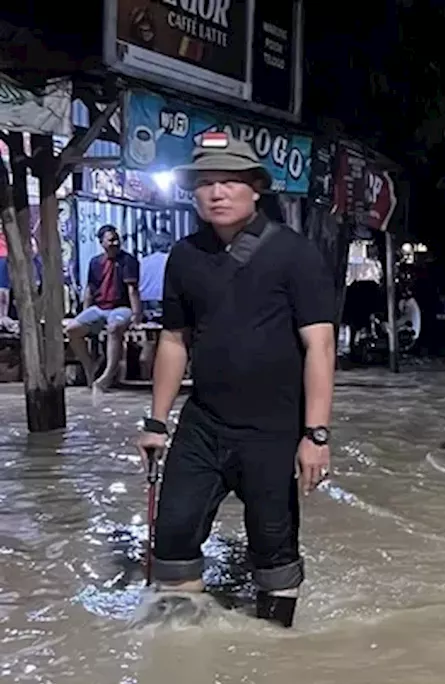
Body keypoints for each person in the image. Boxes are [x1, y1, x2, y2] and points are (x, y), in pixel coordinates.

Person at [135, 134, 336, 629]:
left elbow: (320, 346)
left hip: (271, 429)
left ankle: (275, 653)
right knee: (173, 534)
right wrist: (156, 422)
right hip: (202, 422)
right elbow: (174, 341)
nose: (217, 193)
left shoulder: (294, 254)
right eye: (205, 183)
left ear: (257, 189)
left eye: (229, 181)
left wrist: (316, 435)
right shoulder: (184, 257)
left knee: (273, 548)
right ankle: (181, 661)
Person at [67, 225, 141, 391]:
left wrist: (136, 315)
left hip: (121, 308)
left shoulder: (128, 261)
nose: (114, 243)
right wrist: (85, 312)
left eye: (116, 239)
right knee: (72, 330)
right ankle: (89, 367)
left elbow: (133, 290)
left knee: (114, 328)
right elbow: (90, 290)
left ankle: (108, 374)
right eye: (110, 240)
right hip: (99, 308)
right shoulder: (95, 262)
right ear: (101, 243)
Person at [137, 231, 173, 379]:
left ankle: (146, 377)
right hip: (167, 305)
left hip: (146, 306)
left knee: (149, 341)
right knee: (171, 340)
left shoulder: (142, 262)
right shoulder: (171, 260)